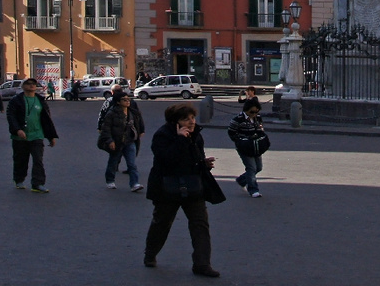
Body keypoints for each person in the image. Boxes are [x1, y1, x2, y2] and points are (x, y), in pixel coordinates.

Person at [144, 102, 218, 277]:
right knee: (162, 223)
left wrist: (204, 164)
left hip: (193, 187)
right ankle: (150, 253)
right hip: (167, 189)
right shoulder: (163, 135)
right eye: (186, 119)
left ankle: (202, 264)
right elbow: (166, 160)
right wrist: (179, 140)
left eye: (192, 118)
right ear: (175, 122)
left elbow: (195, 158)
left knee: (200, 225)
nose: (191, 122)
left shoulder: (196, 135)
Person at [7, 77, 58, 193]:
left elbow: (46, 120)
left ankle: (38, 183)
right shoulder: (16, 101)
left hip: (37, 135)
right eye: (28, 83)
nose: (31, 85)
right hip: (20, 137)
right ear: (23, 86)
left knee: (38, 160)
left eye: (34, 84)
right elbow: (11, 116)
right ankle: (19, 179)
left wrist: (51, 136)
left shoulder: (40, 100)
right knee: (21, 159)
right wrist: (17, 130)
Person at [100, 88, 145, 191]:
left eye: (128, 99)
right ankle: (110, 181)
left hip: (130, 141)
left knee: (132, 164)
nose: (127, 101)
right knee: (113, 162)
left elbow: (139, 122)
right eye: (124, 99)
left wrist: (140, 131)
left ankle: (134, 184)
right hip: (117, 141)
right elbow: (106, 128)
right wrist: (110, 141)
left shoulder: (133, 112)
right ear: (118, 102)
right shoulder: (111, 113)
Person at [227, 98, 269, 196]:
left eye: (256, 112)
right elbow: (231, 133)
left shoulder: (257, 118)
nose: (254, 114)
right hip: (245, 147)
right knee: (251, 167)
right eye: (252, 112)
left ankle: (242, 180)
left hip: (256, 146)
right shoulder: (237, 120)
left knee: (258, 167)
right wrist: (241, 141)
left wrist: (260, 134)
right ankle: (253, 190)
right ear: (246, 110)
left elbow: (260, 129)